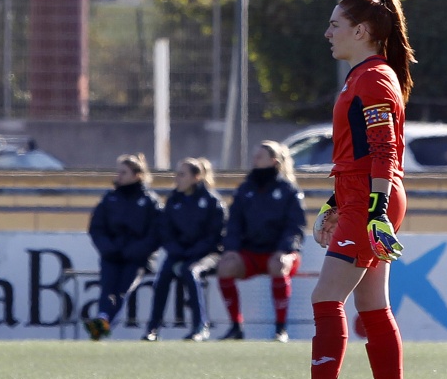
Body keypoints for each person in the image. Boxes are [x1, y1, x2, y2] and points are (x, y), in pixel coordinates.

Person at [270, 0, 416, 379]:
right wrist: (336, 203)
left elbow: (384, 152)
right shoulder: (363, 76)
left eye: (335, 24)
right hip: (362, 198)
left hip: (372, 201)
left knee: (324, 298)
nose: (327, 32)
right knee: (373, 305)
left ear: (362, 31)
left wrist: (372, 212)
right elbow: (359, 152)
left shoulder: (373, 78)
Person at [216, 141, 307, 343]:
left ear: (273, 161)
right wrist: (231, 249)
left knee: (279, 265)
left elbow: (295, 227)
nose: (254, 160)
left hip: (278, 254)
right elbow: (234, 223)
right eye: (254, 157)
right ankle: (236, 327)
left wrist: (285, 249)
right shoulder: (245, 189)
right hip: (251, 253)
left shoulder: (288, 190)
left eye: (259, 157)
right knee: (225, 267)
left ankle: (280, 329)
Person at [142, 158, 226, 342]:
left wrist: (193, 253)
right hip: (179, 253)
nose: (177, 179)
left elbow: (214, 237)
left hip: (207, 254)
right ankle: (152, 328)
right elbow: (165, 231)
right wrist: (177, 250)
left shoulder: (212, 202)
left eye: (182, 174)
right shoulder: (173, 200)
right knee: (162, 276)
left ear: (196, 177)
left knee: (192, 272)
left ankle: (200, 327)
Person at [86, 153, 163, 340]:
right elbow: (97, 228)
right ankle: (102, 322)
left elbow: (156, 233)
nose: (118, 176)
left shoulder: (150, 201)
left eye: (124, 172)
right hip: (112, 254)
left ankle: (101, 325)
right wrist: (108, 248)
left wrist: (136, 251)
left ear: (137, 175)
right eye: (118, 172)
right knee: (107, 289)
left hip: (136, 258)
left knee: (121, 290)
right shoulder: (110, 199)